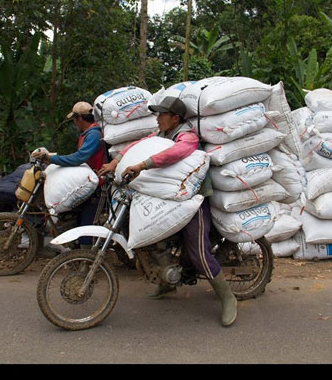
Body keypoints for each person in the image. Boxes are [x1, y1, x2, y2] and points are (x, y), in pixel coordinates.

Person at [97, 96, 237, 327]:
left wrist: (142, 165)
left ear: (175, 118)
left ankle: (227, 297)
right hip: (169, 197)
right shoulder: (160, 135)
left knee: (198, 251)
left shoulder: (187, 136)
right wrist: (116, 162)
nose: (157, 118)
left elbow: (177, 153)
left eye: (162, 114)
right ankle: (167, 280)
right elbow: (137, 145)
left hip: (194, 199)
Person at [32, 101, 107, 248]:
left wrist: (51, 158)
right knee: (76, 217)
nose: (74, 122)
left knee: (86, 222)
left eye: (74, 119)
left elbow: (79, 158)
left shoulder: (93, 135)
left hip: (97, 184)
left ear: (79, 118)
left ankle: (86, 258)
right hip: (88, 182)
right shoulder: (87, 134)